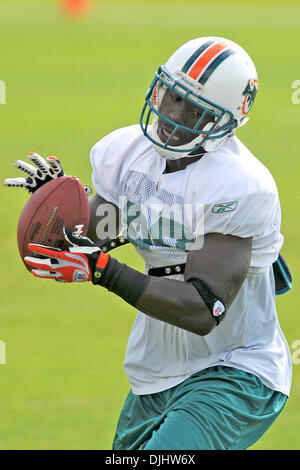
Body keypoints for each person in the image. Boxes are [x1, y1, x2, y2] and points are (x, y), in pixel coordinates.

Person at [4, 36, 292, 450]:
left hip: (235, 367)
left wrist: (104, 271)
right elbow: (82, 241)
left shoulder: (240, 186)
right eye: (171, 96)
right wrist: (56, 203)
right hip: (155, 369)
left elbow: (202, 307)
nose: (172, 115)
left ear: (223, 123)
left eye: (194, 109)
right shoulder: (126, 153)